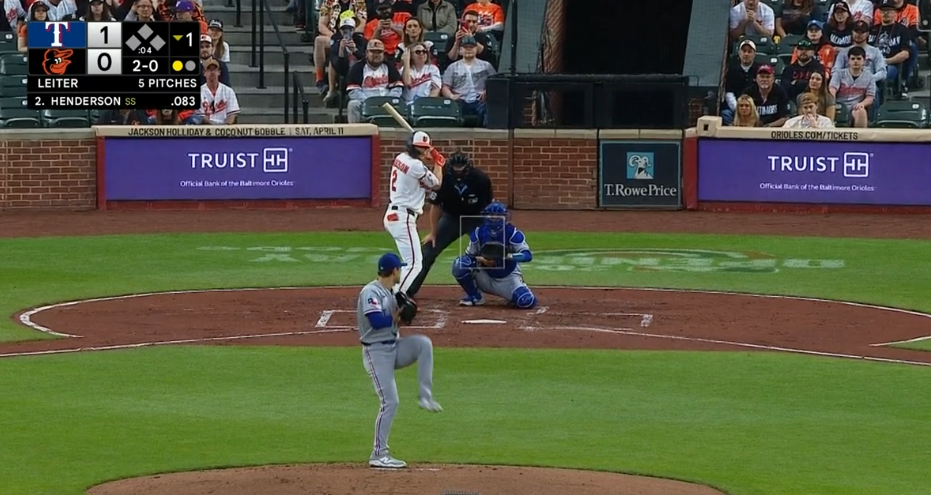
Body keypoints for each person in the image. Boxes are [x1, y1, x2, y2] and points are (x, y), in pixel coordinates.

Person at [358, 252, 443, 470]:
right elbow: (376, 321)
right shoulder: (371, 292)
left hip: (394, 347)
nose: (401, 272)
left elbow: (401, 317)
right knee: (390, 401)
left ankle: (425, 397)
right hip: (376, 353)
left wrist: (406, 315)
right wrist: (395, 316)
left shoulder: (393, 292)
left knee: (423, 344)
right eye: (400, 269)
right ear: (394, 270)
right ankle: (379, 454)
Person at [405, 152, 493, 298]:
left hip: (476, 218)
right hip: (451, 218)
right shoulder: (443, 179)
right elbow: (435, 206)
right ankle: (409, 289)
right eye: (455, 167)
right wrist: (433, 233)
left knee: (491, 251)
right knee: (427, 251)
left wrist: (489, 231)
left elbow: (488, 207)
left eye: (461, 167)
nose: (458, 170)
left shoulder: (481, 179)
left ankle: (502, 286)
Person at [384, 130, 446, 295]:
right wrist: (438, 164)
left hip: (395, 215)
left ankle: (392, 291)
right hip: (403, 217)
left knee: (409, 262)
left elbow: (418, 172)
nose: (424, 150)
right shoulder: (416, 166)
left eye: (425, 147)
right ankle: (395, 296)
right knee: (415, 264)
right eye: (421, 147)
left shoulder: (400, 157)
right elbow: (436, 184)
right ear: (413, 146)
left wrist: (426, 157)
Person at [451, 201, 537, 308]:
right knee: (460, 264)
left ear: (504, 217)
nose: (494, 218)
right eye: (491, 215)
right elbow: (469, 257)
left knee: (527, 301)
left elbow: (527, 255)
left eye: (498, 215)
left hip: (508, 279)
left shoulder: (513, 233)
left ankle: (513, 296)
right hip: (484, 276)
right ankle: (475, 297)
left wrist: (507, 256)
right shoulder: (478, 233)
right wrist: (483, 260)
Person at [829, 45, 876, 128]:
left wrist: (862, 104)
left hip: (856, 106)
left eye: (859, 59)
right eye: (853, 59)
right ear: (848, 61)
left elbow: (870, 97)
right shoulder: (839, 74)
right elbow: (832, 90)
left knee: (861, 112)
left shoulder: (870, 77)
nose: (855, 61)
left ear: (864, 61)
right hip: (838, 104)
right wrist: (833, 103)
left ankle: (860, 136)